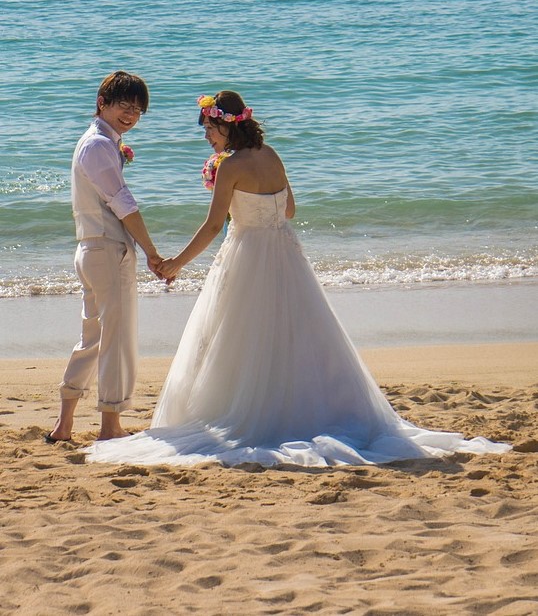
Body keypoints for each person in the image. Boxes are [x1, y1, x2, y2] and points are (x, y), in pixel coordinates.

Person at [85, 91, 511, 466]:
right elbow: (289, 211)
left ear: (224, 127)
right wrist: (256, 209)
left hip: (247, 254)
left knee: (242, 337)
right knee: (298, 334)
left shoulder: (231, 166)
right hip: (285, 254)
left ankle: (255, 412)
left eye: (209, 130)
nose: (207, 138)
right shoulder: (271, 156)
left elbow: (214, 226)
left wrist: (175, 262)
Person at [46, 71, 164, 443]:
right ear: (103, 103)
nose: (131, 114)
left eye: (137, 109)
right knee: (117, 338)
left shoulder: (99, 142)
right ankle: (110, 426)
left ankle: (64, 426)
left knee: (93, 338)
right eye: (124, 106)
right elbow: (123, 204)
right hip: (106, 250)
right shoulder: (98, 145)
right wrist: (152, 252)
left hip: (92, 248)